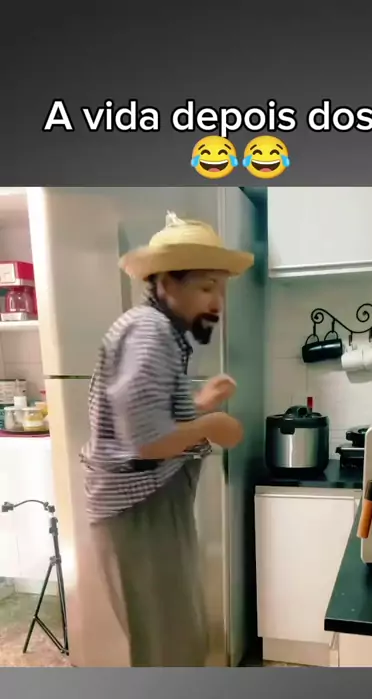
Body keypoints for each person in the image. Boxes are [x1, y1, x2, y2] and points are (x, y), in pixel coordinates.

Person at [80, 211, 254, 666]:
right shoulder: (149, 332)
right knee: (168, 643)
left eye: (221, 288)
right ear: (164, 283)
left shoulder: (160, 332)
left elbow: (145, 419)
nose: (218, 302)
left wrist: (199, 403)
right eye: (206, 287)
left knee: (172, 636)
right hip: (140, 509)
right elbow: (146, 442)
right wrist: (214, 426)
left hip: (146, 504)